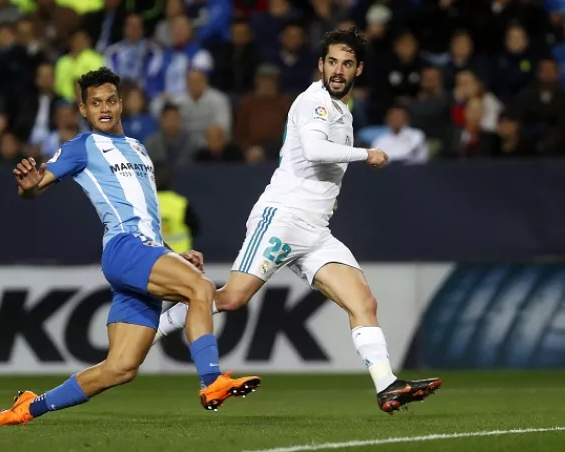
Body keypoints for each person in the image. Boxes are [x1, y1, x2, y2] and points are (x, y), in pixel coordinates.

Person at [152, 28, 442, 414]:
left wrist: (328, 198)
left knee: (364, 301)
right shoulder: (315, 100)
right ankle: (155, 325)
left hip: (315, 230)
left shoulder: (342, 110)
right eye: (333, 62)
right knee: (232, 298)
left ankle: (387, 385)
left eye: (347, 63)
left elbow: (307, 159)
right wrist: (366, 153)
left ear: (359, 69)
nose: (339, 70)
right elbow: (316, 149)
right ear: (321, 65)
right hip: (282, 218)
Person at [0, 67, 260, 427]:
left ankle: (27, 408)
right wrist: (30, 184)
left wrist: (170, 255)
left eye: (111, 100)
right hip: (124, 248)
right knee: (201, 287)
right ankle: (212, 382)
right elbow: (37, 186)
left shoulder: (138, 149)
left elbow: (145, 215)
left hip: (143, 252)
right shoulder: (82, 146)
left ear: (121, 104)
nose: (104, 108)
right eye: (95, 102)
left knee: (120, 368)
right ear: (83, 110)